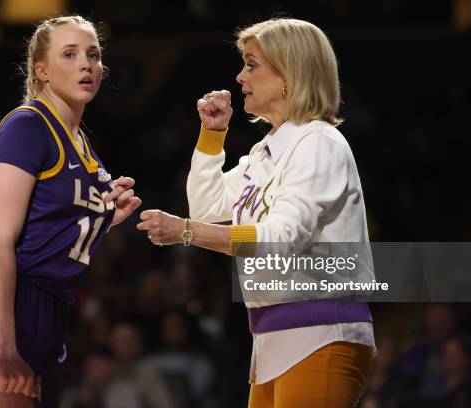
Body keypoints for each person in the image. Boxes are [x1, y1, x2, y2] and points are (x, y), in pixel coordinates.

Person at [137, 18, 375, 407]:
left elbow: (278, 241)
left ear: (288, 74)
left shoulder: (319, 144)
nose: (239, 76)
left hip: (320, 335)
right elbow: (208, 208)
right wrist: (212, 136)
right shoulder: (264, 153)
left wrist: (186, 232)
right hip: (271, 343)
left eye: (251, 64)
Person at [0, 15, 141, 408]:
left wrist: (105, 219)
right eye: (70, 54)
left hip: (47, 315)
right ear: (41, 70)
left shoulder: (80, 142)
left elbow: (50, 229)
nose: (87, 64)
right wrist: (4, 344)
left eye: (94, 55)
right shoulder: (27, 125)